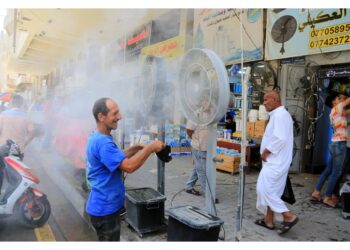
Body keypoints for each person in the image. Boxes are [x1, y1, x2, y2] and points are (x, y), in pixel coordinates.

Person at [85, 97, 165, 241]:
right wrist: (150, 148)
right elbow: (128, 166)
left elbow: (114, 158)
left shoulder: (97, 137)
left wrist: (136, 148)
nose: (120, 117)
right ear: (101, 117)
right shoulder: (103, 143)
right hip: (105, 211)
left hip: (103, 207)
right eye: (114, 114)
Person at [255, 90, 298, 235]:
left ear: (275, 99)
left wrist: (266, 151)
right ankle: (268, 220)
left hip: (276, 162)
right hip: (276, 161)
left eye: (267, 99)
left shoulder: (280, 115)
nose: (264, 102)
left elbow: (280, 138)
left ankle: (288, 215)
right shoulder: (279, 114)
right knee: (272, 191)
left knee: (265, 189)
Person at [311, 94, 350, 208]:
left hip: (334, 144)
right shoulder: (337, 108)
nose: (342, 99)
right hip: (339, 145)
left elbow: (347, 111)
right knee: (336, 173)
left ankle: (317, 192)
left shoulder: (335, 112)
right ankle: (327, 197)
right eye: (339, 98)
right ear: (334, 102)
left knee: (328, 170)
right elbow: (348, 101)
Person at [0, 94, 35, 159]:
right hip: (18, 148)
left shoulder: (3, 115)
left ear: (11, 103)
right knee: (15, 168)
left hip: (3, 147)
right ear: (21, 104)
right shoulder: (26, 116)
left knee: (2, 168)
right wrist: (24, 143)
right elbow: (32, 133)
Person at [184, 119, 208, 196]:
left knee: (198, 167)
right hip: (198, 147)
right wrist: (196, 140)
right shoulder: (195, 115)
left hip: (206, 147)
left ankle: (189, 186)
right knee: (202, 170)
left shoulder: (212, 113)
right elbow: (188, 130)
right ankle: (209, 195)